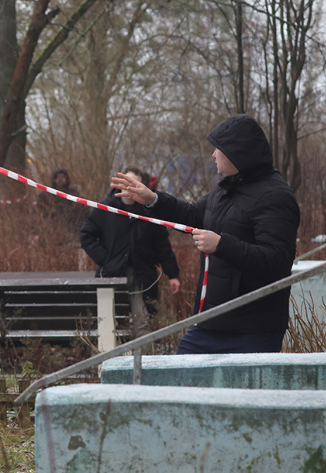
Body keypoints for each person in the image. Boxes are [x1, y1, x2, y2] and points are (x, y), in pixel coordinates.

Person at [111, 114, 299, 354]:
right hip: (209, 321)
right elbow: (192, 215)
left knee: (240, 393)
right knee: (180, 382)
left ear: (236, 152)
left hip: (253, 329)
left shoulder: (275, 196)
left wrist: (221, 245)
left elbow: (278, 261)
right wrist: (152, 199)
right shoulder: (226, 188)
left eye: (218, 149)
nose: (213, 154)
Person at [80, 166, 180, 336]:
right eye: (126, 182)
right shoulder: (105, 209)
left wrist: (173, 274)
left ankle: (145, 361)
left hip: (142, 276)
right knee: (108, 323)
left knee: (142, 321)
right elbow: (86, 235)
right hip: (112, 274)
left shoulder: (150, 211)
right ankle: (107, 360)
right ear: (119, 184)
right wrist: (106, 259)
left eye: (135, 183)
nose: (130, 186)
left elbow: (162, 244)